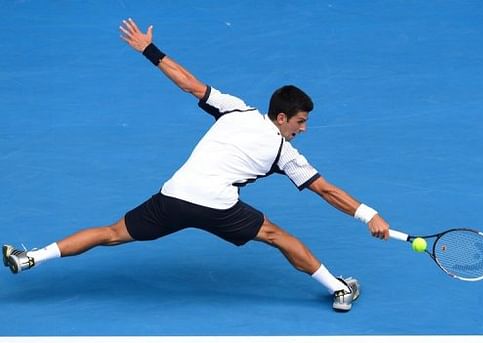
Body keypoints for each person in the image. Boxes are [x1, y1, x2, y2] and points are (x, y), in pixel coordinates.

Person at [3, 18, 390, 312]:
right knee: (278, 237)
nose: (304, 130)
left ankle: (32, 256)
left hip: (174, 196)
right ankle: (339, 289)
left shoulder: (236, 107)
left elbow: (189, 83)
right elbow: (325, 189)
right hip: (218, 206)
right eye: (301, 122)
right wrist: (368, 214)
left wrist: (148, 50)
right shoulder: (284, 153)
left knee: (110, 232)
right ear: (282, 117)